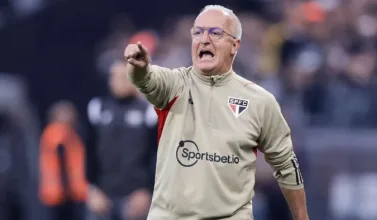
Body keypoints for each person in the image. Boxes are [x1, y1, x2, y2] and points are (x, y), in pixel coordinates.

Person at [124, 5, 309, 220]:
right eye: (199, 33)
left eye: (216, 34)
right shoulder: (176, 85)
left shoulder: (260, 99)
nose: (205, 40)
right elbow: (147, 82)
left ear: (234, 45)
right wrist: (139, 69)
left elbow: (284, 163)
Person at [86, 60, 157, 220]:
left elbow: (157, 156)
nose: (117, 81)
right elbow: (88, 153)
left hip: (136, 196)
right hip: (103, 194)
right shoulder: (97, 108)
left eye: (123, 76)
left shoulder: (149, 111)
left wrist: (147, 191)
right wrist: (91, 188)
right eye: (114, 76)